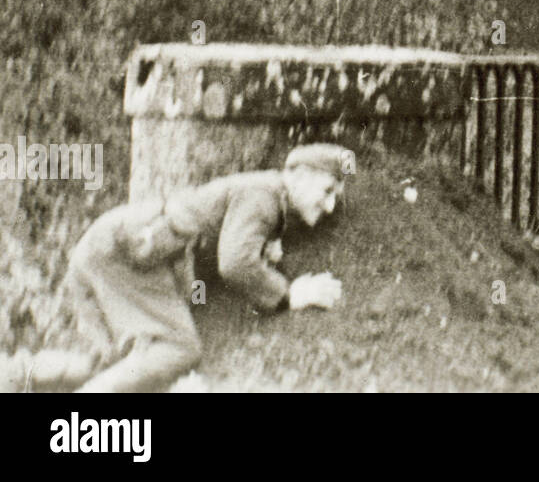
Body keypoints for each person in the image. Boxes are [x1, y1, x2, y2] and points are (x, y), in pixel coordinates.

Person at [5, 143, 350, 393]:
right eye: (328, 189)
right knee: (179, 349)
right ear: (299, 175)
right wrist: (289, 294)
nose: (331, 204)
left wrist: (268, 243)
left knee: (115, 363)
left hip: (105, 246)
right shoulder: (263, 195)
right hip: (127, 255)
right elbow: (235, 263)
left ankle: (13, 376)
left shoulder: (265, 194)